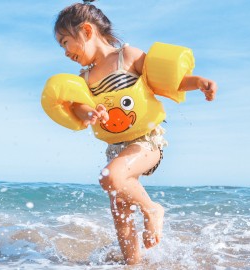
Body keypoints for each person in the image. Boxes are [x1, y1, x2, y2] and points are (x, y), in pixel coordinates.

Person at [53, 0, 217, 265]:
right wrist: (89, 113)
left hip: (146, 142)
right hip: (116, 149)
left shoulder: (127, 57)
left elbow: (167, 81)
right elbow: (81, 107)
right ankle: (134, 264)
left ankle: (153, 210)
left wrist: (198, 82)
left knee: (109, 176)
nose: (64, 52)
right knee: (120, 212)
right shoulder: (85, 78)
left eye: (64, 42)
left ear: (86, 31)